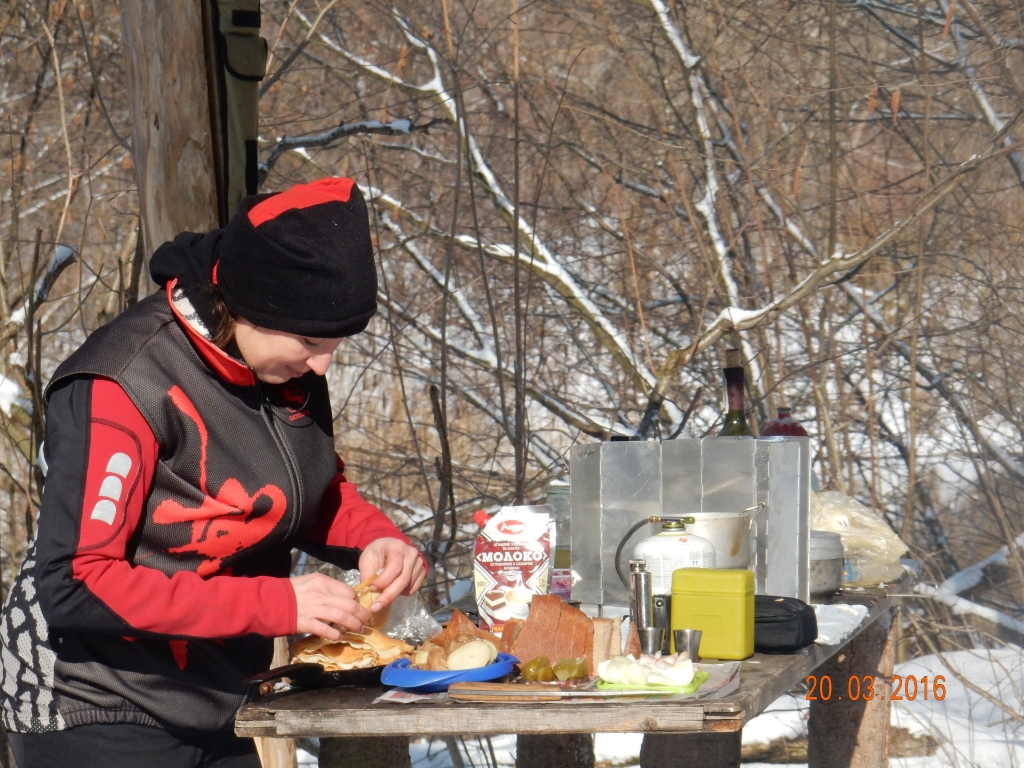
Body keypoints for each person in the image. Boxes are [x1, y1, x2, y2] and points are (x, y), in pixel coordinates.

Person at [0, 177, 427, 767]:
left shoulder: (284, 366)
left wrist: (375, 538)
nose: (322, 366)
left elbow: (305, 491)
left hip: (220, 691)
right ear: (249, 305)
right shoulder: (121, 382)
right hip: (93, 696)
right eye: (310, 340)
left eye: (337, 343)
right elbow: (76, 581)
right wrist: (276, 604)